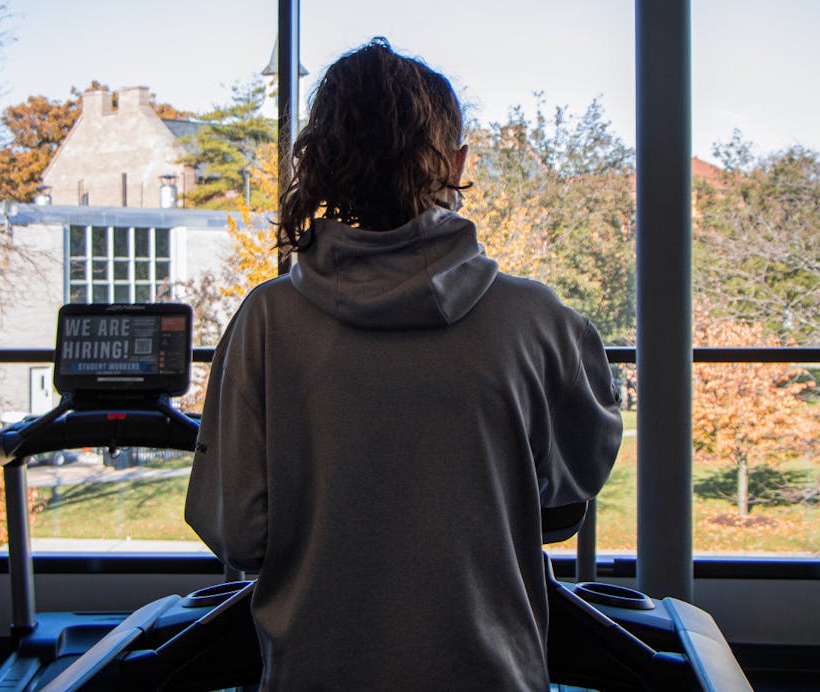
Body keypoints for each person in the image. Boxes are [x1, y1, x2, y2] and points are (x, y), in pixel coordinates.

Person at [184, 37, 622, 691]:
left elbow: (236, 533)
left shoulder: (266, 323)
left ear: (323, 163)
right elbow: (564, 501)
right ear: (456, 163)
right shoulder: (536, 319)